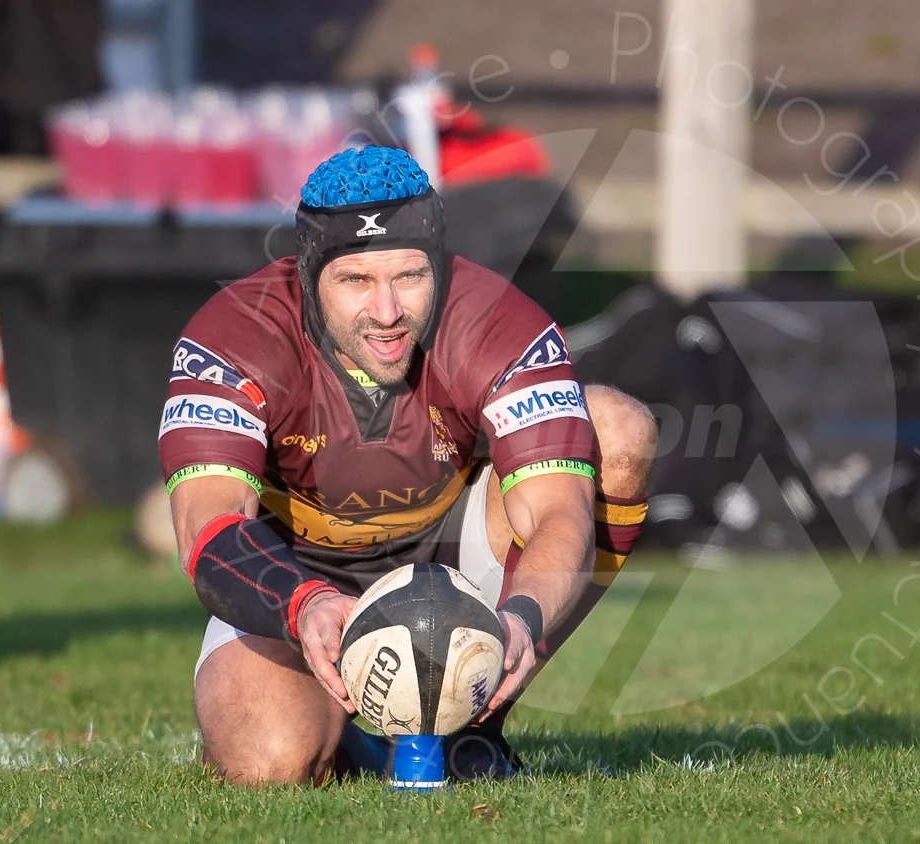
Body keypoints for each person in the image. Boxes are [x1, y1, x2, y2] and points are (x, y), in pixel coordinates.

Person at [158, 146, 655, 785]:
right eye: (356, 280)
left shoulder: (497, 320)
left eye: (410, 277)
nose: (388, 312)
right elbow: (208, 529)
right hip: (295, 574)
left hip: (447, 553)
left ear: (440, 266)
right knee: (269, 763)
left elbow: (559, 508)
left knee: (615, 429)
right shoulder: (232, 339)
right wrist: (301, 603)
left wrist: (524, 617)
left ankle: (472, 730)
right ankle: (358, 740)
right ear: (309, 275)